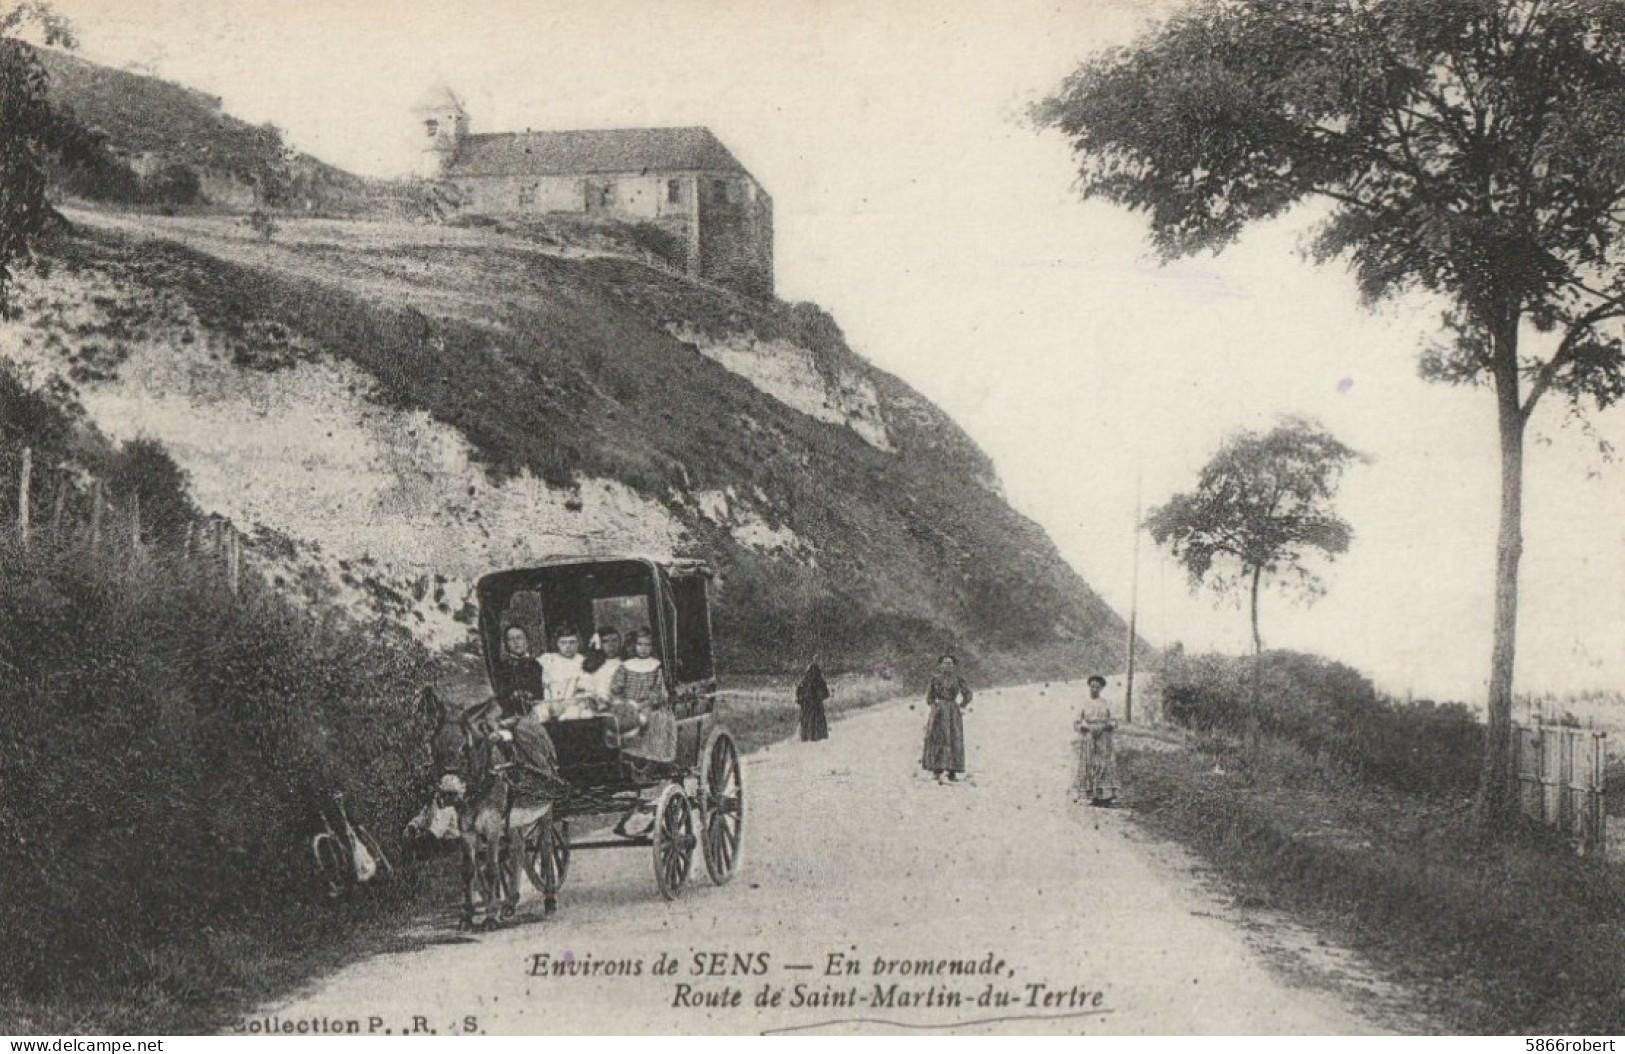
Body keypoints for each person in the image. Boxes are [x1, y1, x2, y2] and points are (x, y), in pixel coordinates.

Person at [612, 627, 676, 763]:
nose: (643, 648)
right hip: (628, 704)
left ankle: (649, 758)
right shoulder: (625, 666)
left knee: (654, 718)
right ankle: (624, 757)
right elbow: (616, 689)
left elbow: (659, 691)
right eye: (640, 644)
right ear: (634, 645)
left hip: (650, 706)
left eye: (647, 645)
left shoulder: (656, 666)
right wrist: (625, 702)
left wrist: (647, 703)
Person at [920, 654, 972, 783]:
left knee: (954, 738)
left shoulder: (958, 679)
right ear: (940, 665)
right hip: (938, 712)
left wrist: (962, 705)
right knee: (936, 737)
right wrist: (934, 706)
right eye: (944, 663)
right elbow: (929, 697)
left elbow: (968, 694)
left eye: (950, 663)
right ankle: (936, 769)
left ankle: (952, 771)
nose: (947, 666)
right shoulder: (935, 679)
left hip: (953, 712)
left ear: (954, 666)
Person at [1075, 674, 1121, 806]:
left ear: (1101, 689)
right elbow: (1076, 723)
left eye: (1097, 687)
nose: (1094, 689)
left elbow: (1114, 721)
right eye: (1092, 686)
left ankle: (1104, 796)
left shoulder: (1106, 703)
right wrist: (1085, 727)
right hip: (1089, 736)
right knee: (1088, 763)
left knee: (1104, 763)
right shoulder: (1083, 703)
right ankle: (1089, 795)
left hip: (1103, 736)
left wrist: (1105, 726)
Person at [538, 626, 593, 720]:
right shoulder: (548, 660)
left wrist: (566, 706)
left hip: (574, 706)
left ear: (578, 643)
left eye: (572, 642)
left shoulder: (583, 662)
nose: (568, 646)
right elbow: (545, 688)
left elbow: (585, 692)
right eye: (563, 642)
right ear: (557, 644)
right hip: (551, 705)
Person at [495, 625, 545, 717]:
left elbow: (541, 693)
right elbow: (501, 695)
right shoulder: (501, 668)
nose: (516, 642)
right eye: (511, 639)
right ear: (506, 644)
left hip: (536, 713)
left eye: (519, 638)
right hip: (511, 715)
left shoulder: (537, 666)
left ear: (527, 642)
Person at [796, 661, 830, 742]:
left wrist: (801, 700)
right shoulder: (820, 681)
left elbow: (798, 694)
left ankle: (805, 737)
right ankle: (816, 736)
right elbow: (826, 694)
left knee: (806, 722)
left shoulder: (804, 682)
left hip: (806, 707)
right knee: (816, 723)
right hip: (816, 707)